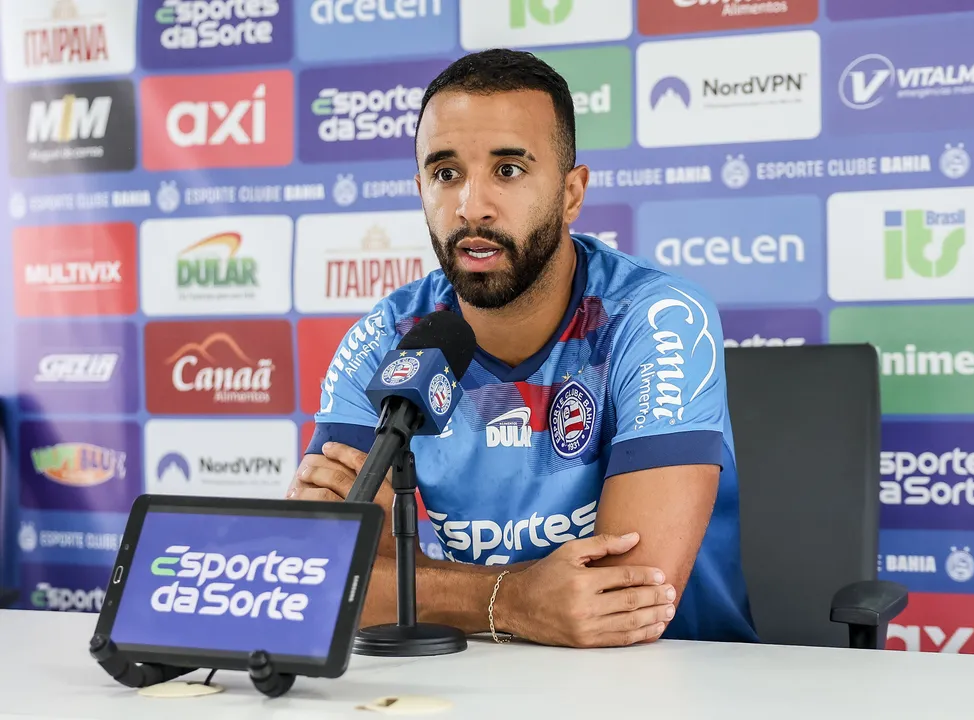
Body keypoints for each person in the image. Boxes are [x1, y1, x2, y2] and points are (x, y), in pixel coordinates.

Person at [289, 48, 758, 648]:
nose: (471, 206)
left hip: (672, 678)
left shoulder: (657, 319)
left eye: (508, 170)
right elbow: (332, 582)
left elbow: (624, 598)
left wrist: (430, 590)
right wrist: (511, 600)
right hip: (475, 684)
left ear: (571, 193)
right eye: (445, 173)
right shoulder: (386, 339)